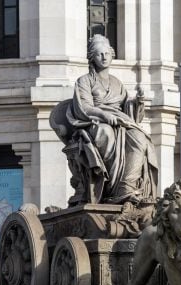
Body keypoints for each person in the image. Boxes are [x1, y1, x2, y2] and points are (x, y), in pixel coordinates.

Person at [51, 34, 158, 205]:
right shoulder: (84, 81)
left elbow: (129, 113)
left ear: (112, 54)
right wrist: (104, 115)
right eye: (99, 53)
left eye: (107, 53)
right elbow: (84, 108)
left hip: (120, 122)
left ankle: (125, 187)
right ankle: (109, 188)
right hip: (94, 123)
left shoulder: (117, 83)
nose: (104, 57)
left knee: (139, 138)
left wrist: (138, 102)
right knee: (105, 133)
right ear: (92, 57)